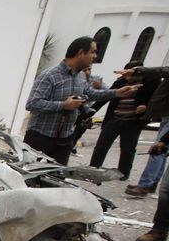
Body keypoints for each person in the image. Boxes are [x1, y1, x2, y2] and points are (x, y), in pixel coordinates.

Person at [24, 36, 140, 165]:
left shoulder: (81, 76)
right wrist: (63, 105)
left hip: (65, 139)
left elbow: (89, 94)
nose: (95, 56)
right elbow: (32, 103)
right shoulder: (49, 75)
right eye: (92, 52)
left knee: (56, 180)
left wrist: (117, 93)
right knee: (31, 181)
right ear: (80, 53)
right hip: (40, 138)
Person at [88, 61, 158, 180]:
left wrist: (146, 108)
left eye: (129, 74)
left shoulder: (149, 84)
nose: (126, 77)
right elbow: (104, 98)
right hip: (115, 118)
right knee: (102, 145)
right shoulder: (120, 82)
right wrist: (89, 112)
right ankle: (93, 169)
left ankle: (124, 173)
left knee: (128, 149)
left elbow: (156, 101)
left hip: (133, 121)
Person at [125, 64, 169, 197]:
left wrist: (137, 70)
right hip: (166, 114)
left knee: (158, 149)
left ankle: (144, 185)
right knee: (162, 149)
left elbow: (162, 70)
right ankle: (151, 183)